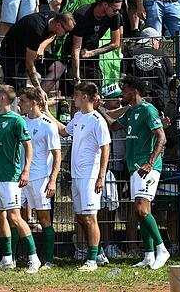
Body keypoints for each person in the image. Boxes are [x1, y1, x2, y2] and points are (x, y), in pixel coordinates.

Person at [105, 76, 170, 269]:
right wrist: (98, 109)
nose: (121, 93)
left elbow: (162, 137)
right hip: (134, 167)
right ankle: (149, 256)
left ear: (134, 90)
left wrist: (150, 163)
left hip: (146, 168)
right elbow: (113, 125)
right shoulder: (132, 111)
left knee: (142, 209)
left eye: (123, 89)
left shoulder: (148, 110)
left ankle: (162, 250)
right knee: (141, 211)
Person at [51, 82, 110, 272]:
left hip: (89, 175)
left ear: (85, 97)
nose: (73, 98)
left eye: (76, 95)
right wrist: (46, 113)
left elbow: (105, 148)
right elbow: (63, 131)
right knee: (82, 217)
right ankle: (98, 253)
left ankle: (92, 260)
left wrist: (101, 176)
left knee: (90, 217)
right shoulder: (77, 117)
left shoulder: (97, 120)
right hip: (77, 175)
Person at [0, 85, 40, 274]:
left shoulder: (16, 121)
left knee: (15, 217)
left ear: (4, 98)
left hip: (9, 177)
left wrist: (26, 170)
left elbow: (28, 147)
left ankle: (34, 258)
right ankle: (7, 258)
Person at [19, 87, 61, 269]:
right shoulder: (20, 122)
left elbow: (57, 155)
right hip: (19, 178)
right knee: (16, 217)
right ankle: (13, 257)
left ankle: (49, 260)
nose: (19, 104)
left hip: (40, 178)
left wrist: (52, 180)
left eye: (23, 101)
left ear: (34, 103)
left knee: (44, 219)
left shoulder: (47, 125)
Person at [0, 10, 75, 94]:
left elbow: (53, 34)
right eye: (67, 31)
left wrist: (42, 46)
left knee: (58, 67)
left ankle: (37, 99)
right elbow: (29, 63)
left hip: (32, 49)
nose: (67, 34)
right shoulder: (36, 29)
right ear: (58, 25)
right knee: (17, 90)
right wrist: (38, 86)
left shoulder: (54, 17)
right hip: (12, 54)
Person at [121, 27, 175, 112]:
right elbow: (171, 80)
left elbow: (122, 78)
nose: (159, 44)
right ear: (153, 41)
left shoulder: (130, 54)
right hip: (160, 100)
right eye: (158, 41)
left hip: (136, 99)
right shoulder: (163, 56)